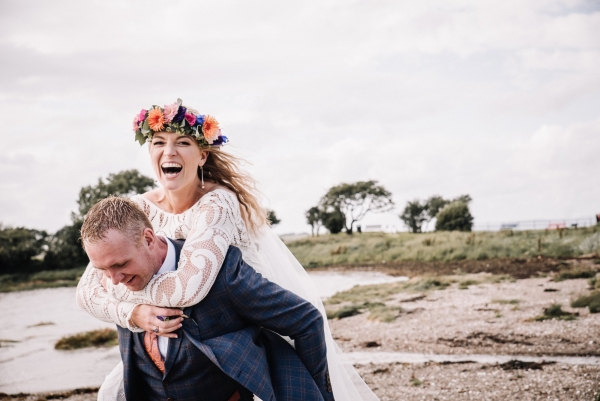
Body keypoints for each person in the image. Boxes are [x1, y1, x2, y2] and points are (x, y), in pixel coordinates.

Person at [76, 99, 378, 401]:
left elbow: (188, 288)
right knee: (111, 393)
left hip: (241, 308)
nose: (169, 152)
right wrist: (134, 313)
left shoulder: (217, 202)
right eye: (158, 142)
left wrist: (119, 295)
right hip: (178, 345)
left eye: (182, 142)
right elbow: (87, 292)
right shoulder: (137, 209)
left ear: (202, 155)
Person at [81, 196, 333, 401]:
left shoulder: (220, 272)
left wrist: (317, 393)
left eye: (121, 264)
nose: (113, 280)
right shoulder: (115, 283)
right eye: (103, 269)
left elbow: (306, 320)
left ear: (148, 239)